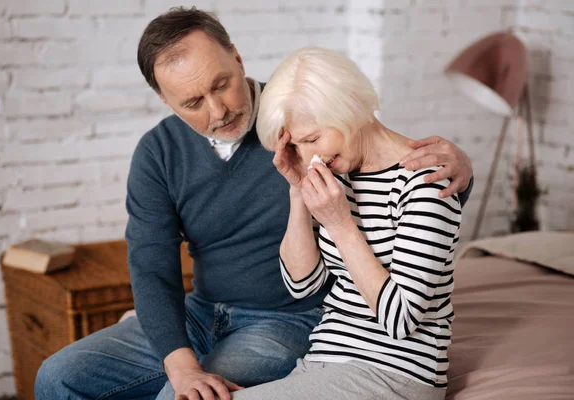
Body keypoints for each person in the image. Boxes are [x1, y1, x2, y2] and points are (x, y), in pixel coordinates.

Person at [34, 8, 473, 400]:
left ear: (238, 58)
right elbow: (151, 267)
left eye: (221, 85)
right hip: (202, 310)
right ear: (165, 102)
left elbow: (377, 160)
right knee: (58, 377)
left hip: (284, 321)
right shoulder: (158, 152)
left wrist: (459, 173)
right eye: (192, 102)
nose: (218, 110)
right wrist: (181, 361)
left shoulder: (297, 118)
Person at [230, 46, 461, 400]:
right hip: (324, 365)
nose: (310, 156)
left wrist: (340, 225)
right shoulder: (340, 175)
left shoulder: (425, 182)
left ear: (351, 104)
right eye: (298, 145)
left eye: (313, 139)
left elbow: (400, 320)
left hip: (393, 374)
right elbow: (302, 285)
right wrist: (297, 191)